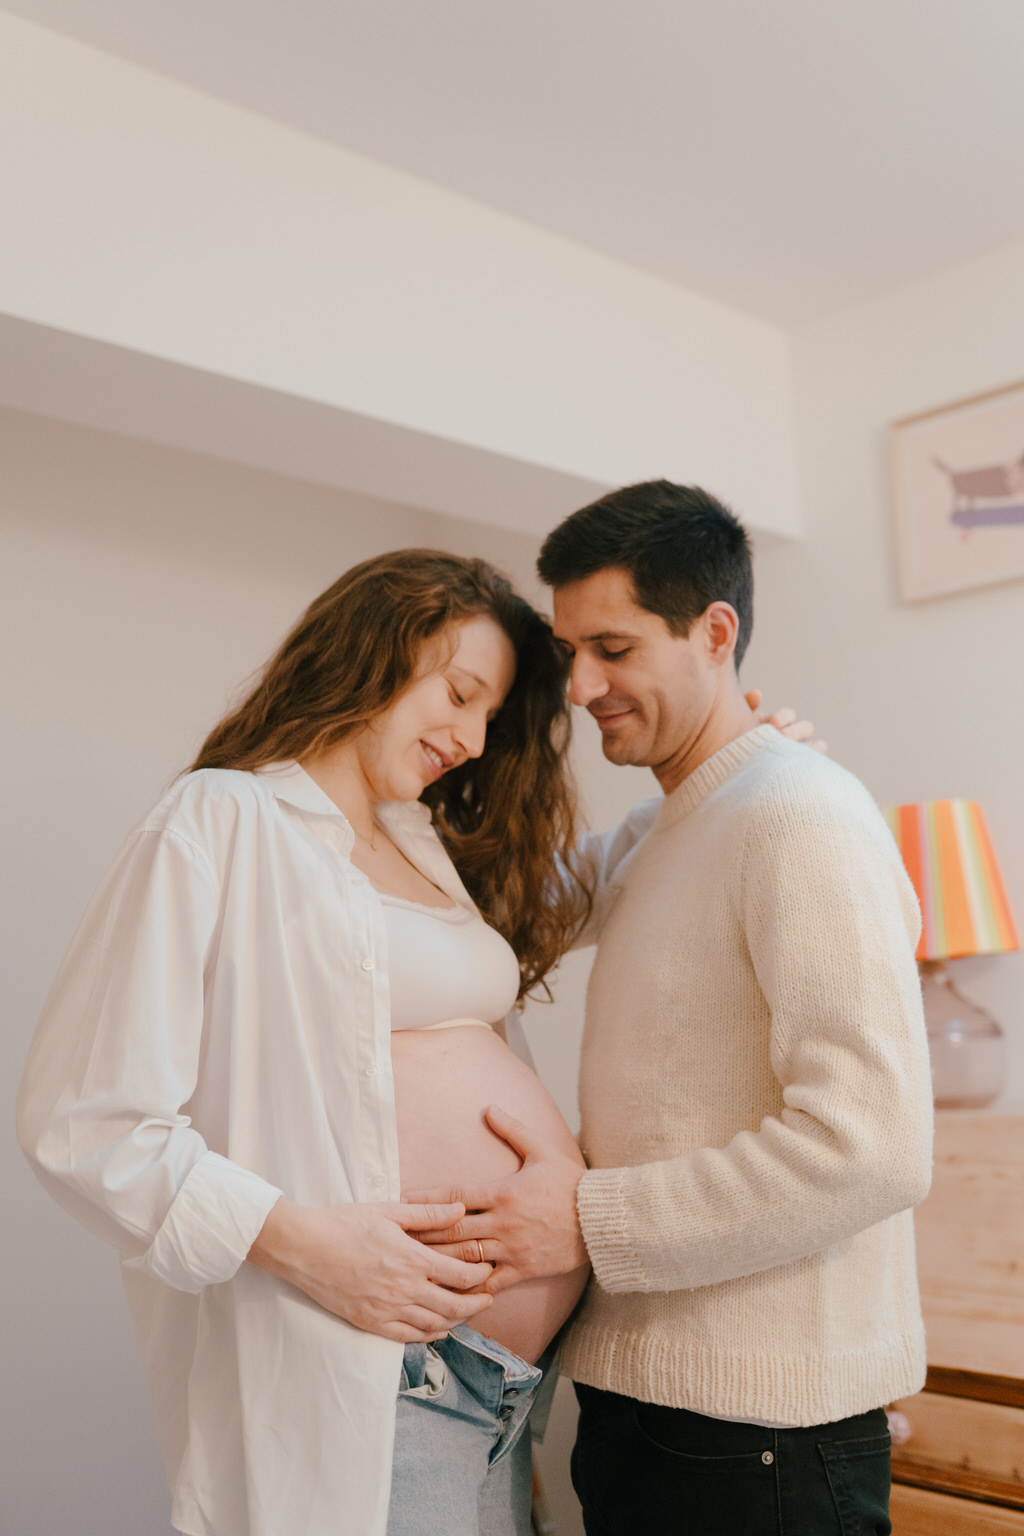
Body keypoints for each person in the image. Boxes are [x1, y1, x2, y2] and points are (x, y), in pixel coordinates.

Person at [16, 550, 594, 1536]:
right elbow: (87, 1124)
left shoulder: (422, 845)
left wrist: (728, 762)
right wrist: (315, 1247)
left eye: (488, 718)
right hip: (380, 1370)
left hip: (503, 1396)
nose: (468, 737)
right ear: (377, 648)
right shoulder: (221, 818)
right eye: (456, 694)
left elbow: (598, 891)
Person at [412, 483, 934, 1536]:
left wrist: (584, 1219)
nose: (579, 686)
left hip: (757, 1442)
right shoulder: (666, 828)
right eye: (567, 653)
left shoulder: (799, 814)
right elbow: (501, 911)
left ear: (714, 632)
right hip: (648, 1412)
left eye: (612, 648)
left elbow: (872, 1148)